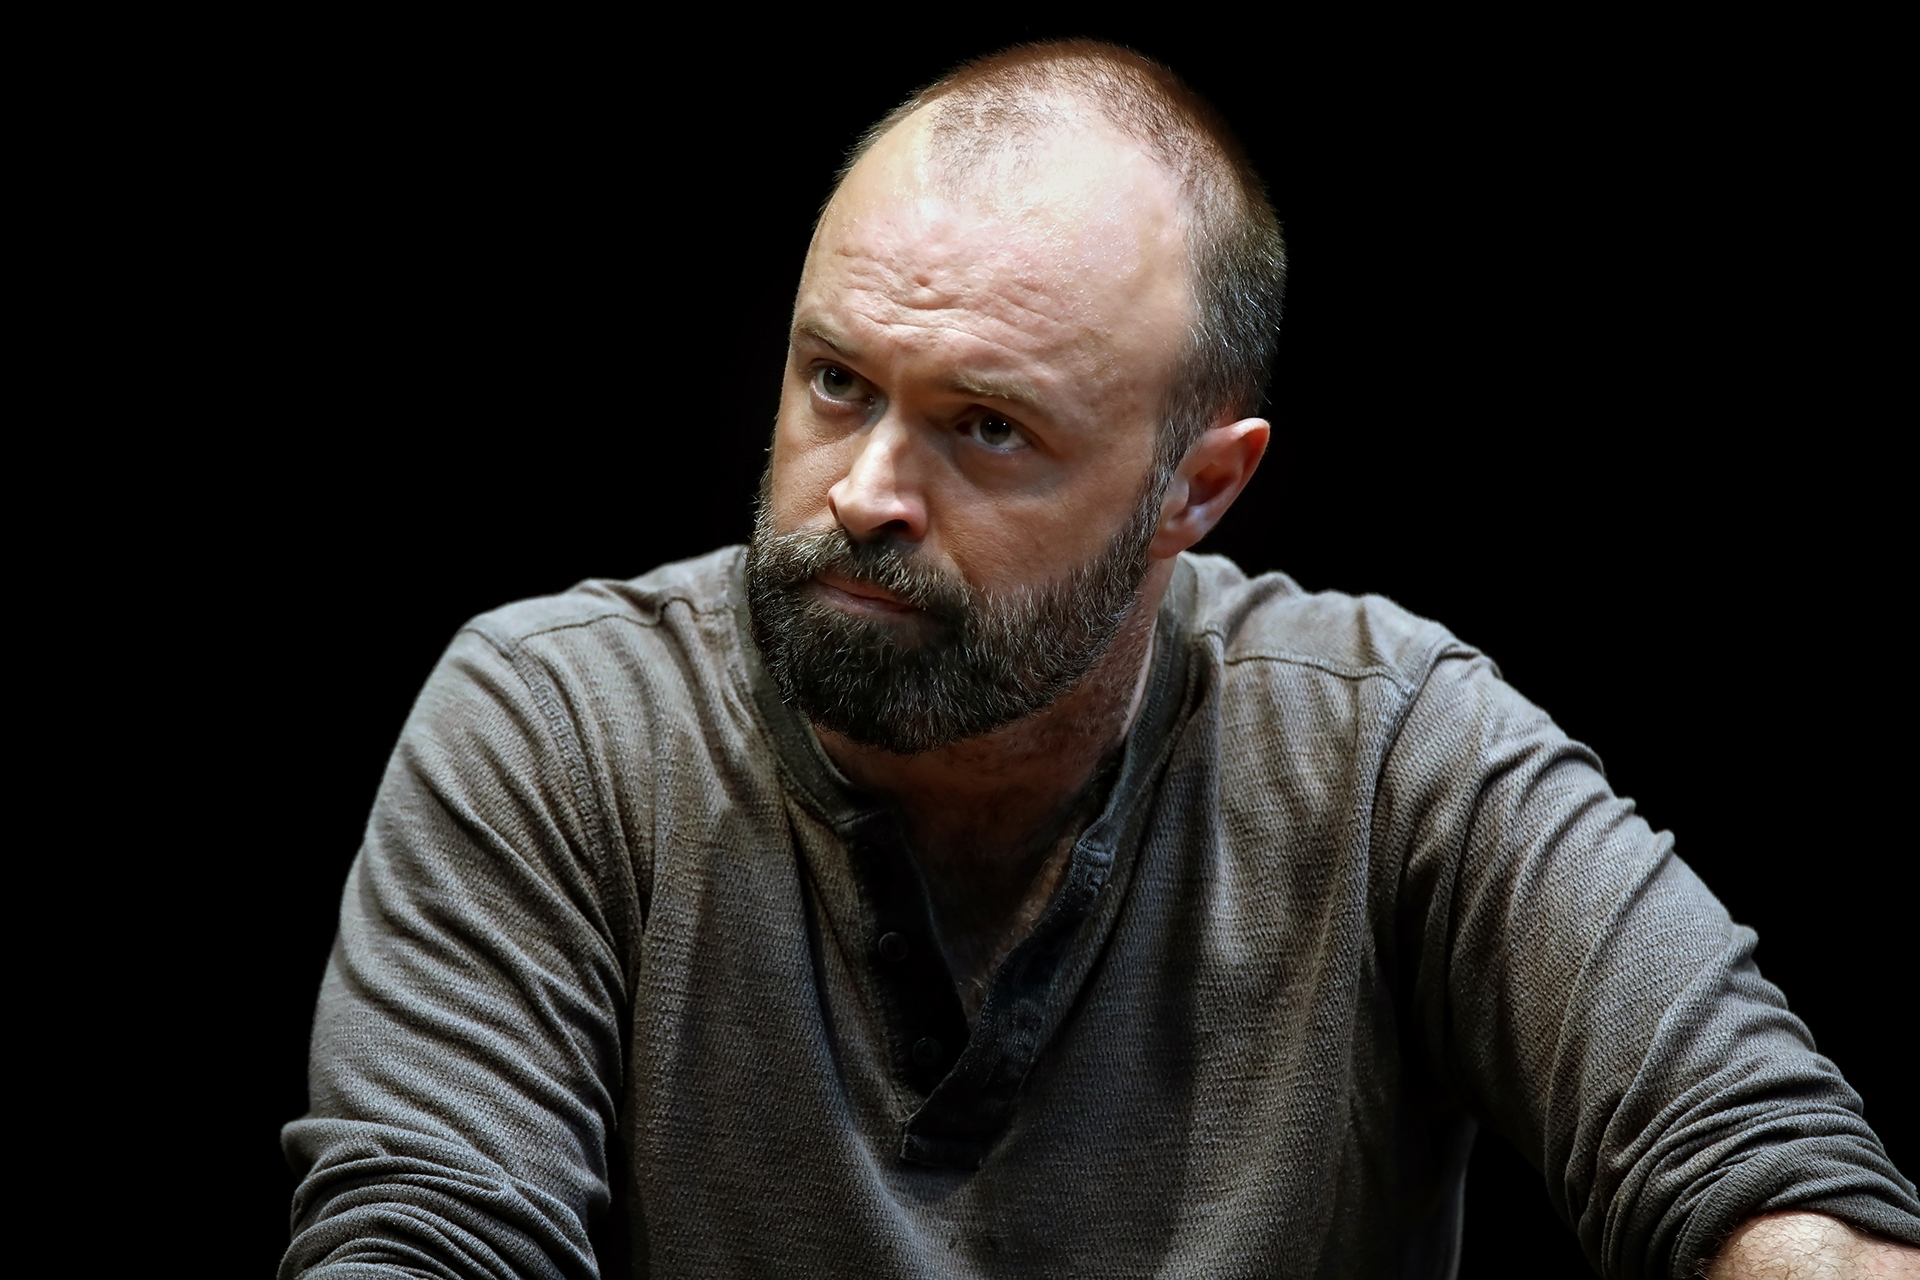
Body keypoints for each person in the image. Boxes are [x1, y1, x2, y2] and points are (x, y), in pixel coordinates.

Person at [281, 41, 1920, 1279]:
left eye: (987, 428)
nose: (864, 496)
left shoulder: (1384, 749)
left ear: (1195, 488)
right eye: (837, 382)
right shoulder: (561, 727)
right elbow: (423, 1235)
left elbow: (1775, 1181)